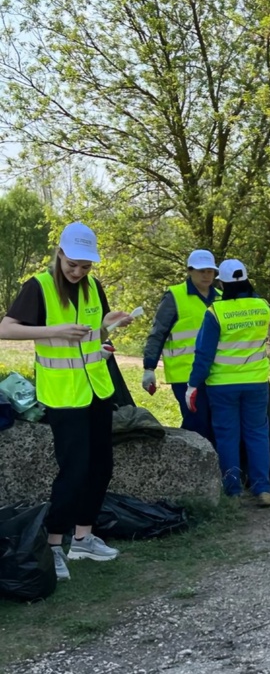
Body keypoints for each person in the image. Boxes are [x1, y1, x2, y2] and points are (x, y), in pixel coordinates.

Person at [0, 222, 133, 581]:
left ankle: (84, 539)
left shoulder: (93, 287)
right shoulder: (38, 286)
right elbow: (5, 328)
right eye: (72, 264)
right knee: (73, 471)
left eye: (86, 266)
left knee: (101, 467)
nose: (78, 272)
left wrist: (109, 326)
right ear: (59, 254)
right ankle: (55, 545)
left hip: (97, 390)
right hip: (62, 395)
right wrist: (53, 330)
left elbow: (94, 331)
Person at [185, 259, 270, 506]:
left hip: (222, 385)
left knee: (227, 436)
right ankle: (263, 489)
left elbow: (204, 354)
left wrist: (193, 384)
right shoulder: (263, 307)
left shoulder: (215, 312)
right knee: (257, 434)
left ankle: (233, 490)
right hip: (256, 381)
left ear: (221, 283)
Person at [141, 250, 219, 442]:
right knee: (197, 424)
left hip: (217, 374)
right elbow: (158, 332)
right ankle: (191, 466)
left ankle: (211, 469)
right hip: (184, 375)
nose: (206, 275)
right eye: (201, 270)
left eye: (210, 271)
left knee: (214, 425)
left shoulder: (221, 297)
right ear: (190, 271)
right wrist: (149, 367)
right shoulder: (175, 296)